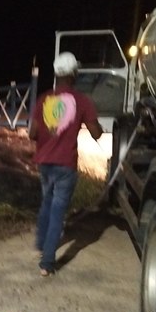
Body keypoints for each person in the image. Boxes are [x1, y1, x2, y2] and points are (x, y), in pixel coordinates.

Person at [29, 52, 102, 277]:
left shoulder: (44, 99)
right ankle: (47, 262)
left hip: (44, 163)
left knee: (47, 203)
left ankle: (40, 243)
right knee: (58, 212)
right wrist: (96, 126)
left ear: (56, 74)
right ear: (74, 74)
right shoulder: (82, 101)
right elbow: (96, 133)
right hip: (65, 165)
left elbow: (32, 134)